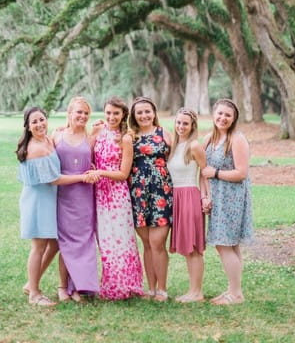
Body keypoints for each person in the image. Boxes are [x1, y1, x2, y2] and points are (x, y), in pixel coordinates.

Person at [16, 106, 90, 307]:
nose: (39, 124)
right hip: (38, 202)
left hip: (49, 201)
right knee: (38, 247)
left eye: (42, 119)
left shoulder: (48, 139)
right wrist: (82, 177)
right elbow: (54, 179)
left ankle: (31, 283)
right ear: (28, 127)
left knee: (55, 244)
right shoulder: (36, 148)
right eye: (34, 122)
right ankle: (34, 293)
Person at [87, 97, 144, 300]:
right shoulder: (99, 133)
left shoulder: (126, 138)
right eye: (108, 112)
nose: (111, 117)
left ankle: (126, 286)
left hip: (117, 195)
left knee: (120, 239)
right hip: (99, 194)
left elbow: (123, 173)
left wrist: (100, 172)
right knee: (105, 240)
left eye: (116, 113)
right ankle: (109, 284)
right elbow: (87, 155)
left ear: (123, 116)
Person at [201, 98, 253, 305]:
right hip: (216, 197)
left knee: (224, 244)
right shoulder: (208, 139)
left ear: (233, 120)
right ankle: (233, 290)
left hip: (232, 198)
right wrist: (204, 196)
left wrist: (216, 172)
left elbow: (241, 173)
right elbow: (202, 171)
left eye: (227, 115)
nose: (223, 118)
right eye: (220, 114)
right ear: (214, 114)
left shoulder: (237, 139)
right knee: (229, 245)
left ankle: (236, 294)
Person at [52, 96, 100, 301]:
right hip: (63, 196)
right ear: (69, 114)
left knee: (84, 242)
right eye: (78, 112)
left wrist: (95, 171)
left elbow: (96, 164)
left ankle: (80, 287)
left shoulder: (91, 138)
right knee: (66, 242)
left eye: (86, 113)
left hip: (85, 197)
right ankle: (63, 287)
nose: (82, 116)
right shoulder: (56, 136)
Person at [128, 96, 173, 301]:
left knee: (157, 242)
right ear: (134, 116)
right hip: (138, 194)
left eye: (147, 111)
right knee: (146, 243)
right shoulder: (130, 136)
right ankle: (151, 288)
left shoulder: (165, 133)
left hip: (161, 193)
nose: (144, 115)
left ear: (154, 112)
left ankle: (162, 289)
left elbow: (175, 159)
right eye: (139, 112)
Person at [167, 108, 208, 302]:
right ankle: (192, 290)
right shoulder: (175, 146)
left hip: (190, 196)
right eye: (178, 123)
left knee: (194, 247)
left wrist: (205, 197)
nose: (181, 126)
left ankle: (197, 292)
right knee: (187, 247)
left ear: (192, 126)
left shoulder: (194, 146)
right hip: (176, 197)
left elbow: (205, 173)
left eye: (185, 123)